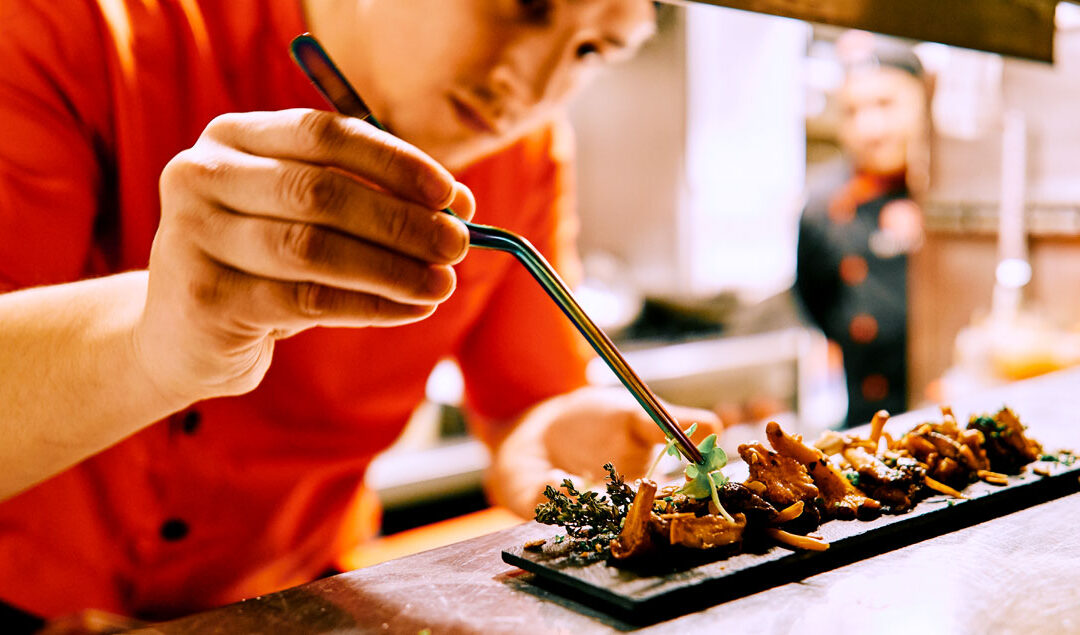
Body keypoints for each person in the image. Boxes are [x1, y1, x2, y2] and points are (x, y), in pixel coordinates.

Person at [0, 0, 719, 623]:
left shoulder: (525, 156)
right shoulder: (80, 32)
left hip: (303, 603)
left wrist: (551, 430)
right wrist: (153, 338)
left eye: (593, 49)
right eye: (524, 3)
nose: (528, 86)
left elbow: (523, 404)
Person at [795, 33, 931, 428]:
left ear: (924, 102)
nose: (870, 127)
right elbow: (815, 301)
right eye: (852, 111)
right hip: (867, 422)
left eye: (886, 104)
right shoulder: (823, 205)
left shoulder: (955, 198)